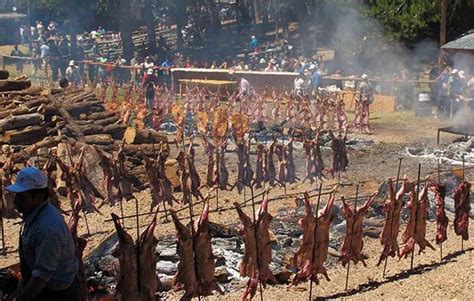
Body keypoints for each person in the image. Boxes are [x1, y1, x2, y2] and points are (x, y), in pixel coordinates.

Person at [5, 167, 80, 300]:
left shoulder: (48, 227)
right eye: (16, 195)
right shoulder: (33, 216)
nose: (15, 200)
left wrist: (20, 299)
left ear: (38, 197)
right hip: (43, 287)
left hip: (57, 294)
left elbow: (41, 275)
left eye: (21, 196)